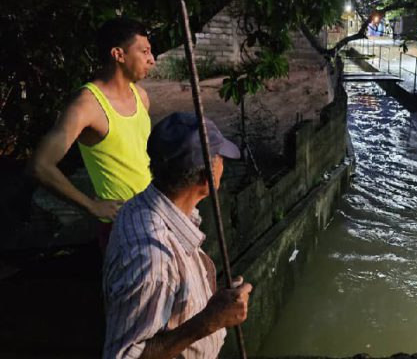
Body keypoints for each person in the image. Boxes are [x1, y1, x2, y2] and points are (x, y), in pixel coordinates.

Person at [103, 112, 252, 358]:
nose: (224, 164)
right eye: (220, 158)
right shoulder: (153, 258)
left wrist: (211, 302)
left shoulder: (142, 206)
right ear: (207, 177)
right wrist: (209, 322)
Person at [27, 18, 156, 249]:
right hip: (122, 227)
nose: (151, 59)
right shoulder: (87, 105)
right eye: (144, 51)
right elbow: (40, 165)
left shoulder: (141, 96)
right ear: (118, 54)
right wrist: (91, 205)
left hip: (154, 214)